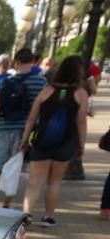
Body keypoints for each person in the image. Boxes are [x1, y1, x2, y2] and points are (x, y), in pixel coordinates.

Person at [20, 55, 89, 227]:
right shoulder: (81, 94)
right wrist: (81, 145)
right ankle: (48, 217)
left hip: (41, 142)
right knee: (55, 181)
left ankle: (27, 214)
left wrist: (24, 139)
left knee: (35, 181)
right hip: (66, 144)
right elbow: (81, 122)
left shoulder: (46, 91)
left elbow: (31, 119)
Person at [0, 48, 48, 206]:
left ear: (16, 62)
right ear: (32, 62)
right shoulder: (41, 82)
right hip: (24, 131)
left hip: (3, 128)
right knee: (15, 167)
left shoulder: (5, 81)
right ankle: (6, 203)